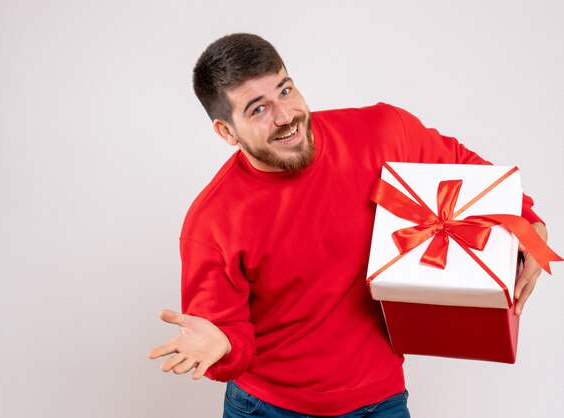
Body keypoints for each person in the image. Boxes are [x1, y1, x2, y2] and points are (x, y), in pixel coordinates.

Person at [149, 33, 549, 417]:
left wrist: (528, 222)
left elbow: (463, 167)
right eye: (258, 109)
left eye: (285, 91)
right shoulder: (211, 223)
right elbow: (227, 341)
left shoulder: (381, 132)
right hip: (266, 409)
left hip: (380, 400)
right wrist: (223, 342)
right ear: (226, 132)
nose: (286, 117)